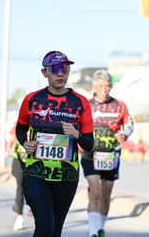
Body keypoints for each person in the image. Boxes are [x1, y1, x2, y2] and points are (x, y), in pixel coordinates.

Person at [16, 51, 94, 237]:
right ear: (45, 72)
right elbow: (20, 128)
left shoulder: (80, 102)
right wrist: (25, 143)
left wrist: (77, 134)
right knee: (45, 227)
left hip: (66, 176)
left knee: (55, 231)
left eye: (65, 69)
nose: (61, 74)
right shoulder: (32, 100)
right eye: (56, 69)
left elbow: (90, 143)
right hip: (36, 173)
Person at [81, 69, 134, 237]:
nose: (105, 90)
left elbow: (130, 124)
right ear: (94, 87)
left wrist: (124, 134)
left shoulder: (120, 105)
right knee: (95, 191)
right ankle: (93, 232)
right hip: (90, 154)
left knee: (105, 195)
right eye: (101, 86)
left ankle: (100, 227)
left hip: (111, 155)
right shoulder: (86, 105)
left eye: (108, 86)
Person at [6, 121, 29, 231]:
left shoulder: (42, 122)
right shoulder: (20, 122)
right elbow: (11, 137)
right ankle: (19, 216)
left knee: (33, 188)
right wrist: (7, 150)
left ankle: (32, 208)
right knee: (21, 187)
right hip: (19, 159)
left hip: (33, 161)